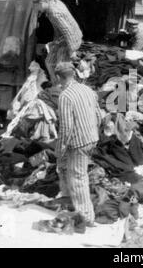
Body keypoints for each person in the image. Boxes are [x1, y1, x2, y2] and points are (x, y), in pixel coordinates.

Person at [54, 62, 103, 226]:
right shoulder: (88, 90)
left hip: (78, 142)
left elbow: (66, 128)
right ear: (74, 74)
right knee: (71, 172)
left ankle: (86, 218)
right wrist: (93, 133)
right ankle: (69, 207)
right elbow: (99, 116)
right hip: (91, 138)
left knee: (77, 178)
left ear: (58, 77)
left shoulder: (65, 96)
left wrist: (60, 149)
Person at [31, 0, 83, 83]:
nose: (36, 9)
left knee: (62, 67)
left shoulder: (54, 13)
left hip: (70, 40)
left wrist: (72, 50)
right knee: (49, 62)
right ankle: (56, 84)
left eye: (36, 6)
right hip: (62, 39)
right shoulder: (54, 2)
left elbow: (68, 30)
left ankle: (67, 86)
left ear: (42, 3)